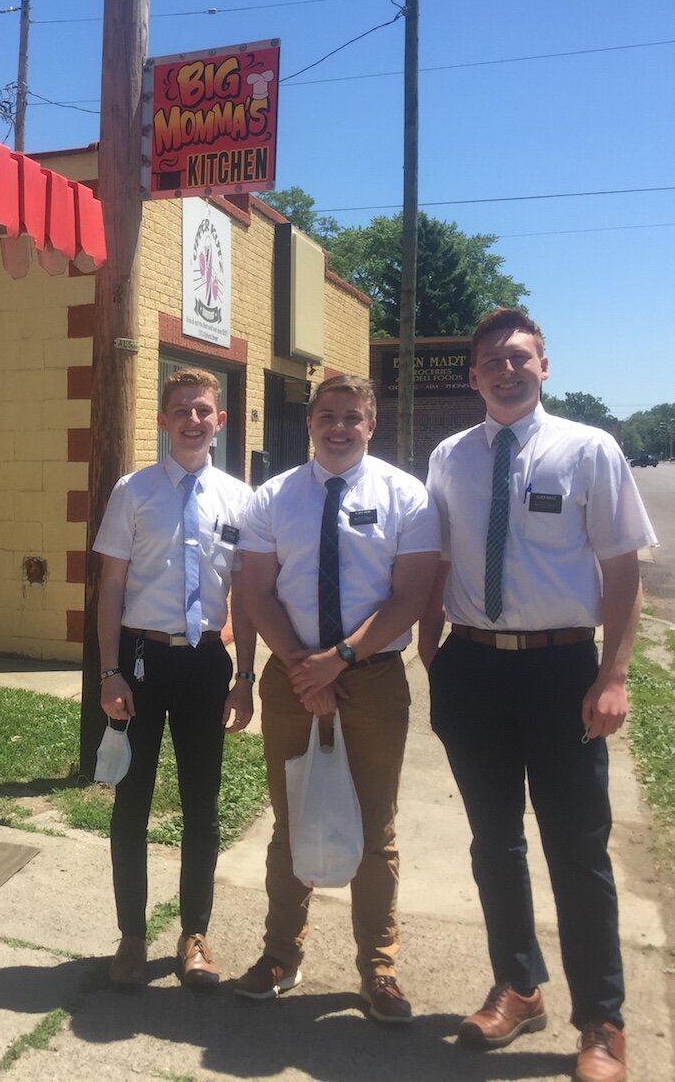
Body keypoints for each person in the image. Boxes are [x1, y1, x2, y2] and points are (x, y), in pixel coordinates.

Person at [419, 309, 655, 1082]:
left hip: (562, 674)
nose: (506, 369)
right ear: (473, 375)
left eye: (520, 357)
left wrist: (613, 675)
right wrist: (432, 646)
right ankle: (519, 985)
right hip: (473, 669)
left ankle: (601, 1019)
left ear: (544, 366)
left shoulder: (589, 450)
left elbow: (624, 569)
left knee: (577, 850)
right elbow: (438, 552)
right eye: (491, 360)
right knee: (495, 843)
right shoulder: (450, 456)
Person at [228, 374, 438, 1023]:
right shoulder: (272, 498)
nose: (339, 426)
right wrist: (301, 666)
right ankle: (280, 956)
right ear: (311, 422)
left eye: (352, 416)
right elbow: (254, 590)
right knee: (291, 824)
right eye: (327, 415)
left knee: (375, 829)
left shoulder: (407, 496)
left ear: (372, 424)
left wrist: (338, 658)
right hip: (292, 678)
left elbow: (412, 594)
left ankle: (379, 967)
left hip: (372, 679)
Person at [94, 367, 256, 991]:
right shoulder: (133, 492)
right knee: (131, 803)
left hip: (205, 664)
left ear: (220, 420)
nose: (193, 419)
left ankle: (194, 934)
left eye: (204, 410)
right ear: (163, 420)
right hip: (140, 663)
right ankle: (132, 937)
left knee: (202, 805)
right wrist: (109, 671)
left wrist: (244, 676)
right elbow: (110, 587)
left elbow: (245, 593)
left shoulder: (241, 500)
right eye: (182, 409)